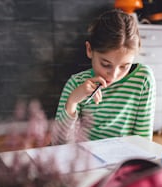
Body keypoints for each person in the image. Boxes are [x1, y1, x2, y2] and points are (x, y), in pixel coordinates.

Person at [54, 9, 156, 142]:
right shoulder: (75, 84)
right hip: (86, 158)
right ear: (89, 50)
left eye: (124, 66)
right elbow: (59, 143)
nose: (113, 75)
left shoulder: (143, 80)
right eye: (106, 64)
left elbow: (143, 141)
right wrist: (72, 102)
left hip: (125, 158)